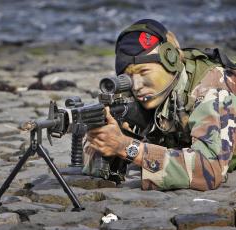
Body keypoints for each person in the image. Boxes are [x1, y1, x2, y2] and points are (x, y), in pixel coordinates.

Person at [83, 19, 236, 191]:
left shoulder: (211, 88)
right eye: (128, 76)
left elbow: (209, 171)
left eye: (144, 72)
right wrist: (103, 138)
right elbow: (92, 162)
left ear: (172, 60)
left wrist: (127, 147)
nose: (137, 85)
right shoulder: (134, 92)